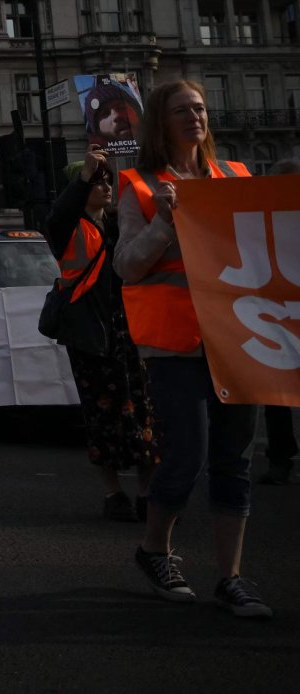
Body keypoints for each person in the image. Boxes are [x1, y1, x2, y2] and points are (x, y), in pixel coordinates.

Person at [114, 79, 268, 618]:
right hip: (176, 344)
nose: (195, 117)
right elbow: (127, 266)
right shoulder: (138, 185)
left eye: (200, 108)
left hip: (239, 338)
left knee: (234, 461)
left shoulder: (236, 178)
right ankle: (155, 548)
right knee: (187, 455)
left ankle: (231, 577)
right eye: (182, 110)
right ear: (160, 121)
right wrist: (163, 221)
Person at [44, 146, 157, 522]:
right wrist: (83, 174)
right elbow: (58, 214)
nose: (106, 187)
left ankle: (146, 492)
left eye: (109, 181)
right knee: (101, 417)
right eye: (97, 182)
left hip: (130, 332)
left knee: (143, 415)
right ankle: (114, 494)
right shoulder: (68, 229)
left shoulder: (121, 224)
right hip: (91, 336)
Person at [257, 155, 300, 485]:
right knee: (275, 396)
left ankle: (281, 460)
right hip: (276, 316)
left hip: (280, 314)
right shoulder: (262, 219)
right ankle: (281, 457)